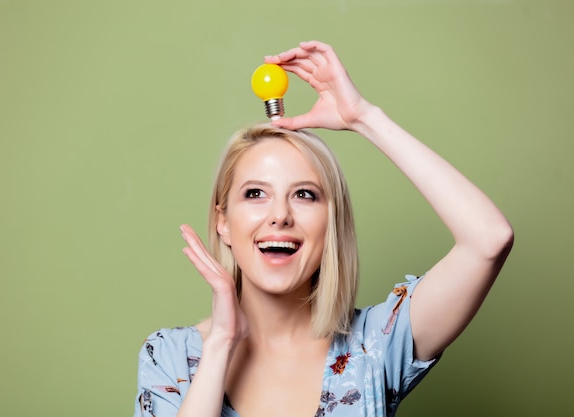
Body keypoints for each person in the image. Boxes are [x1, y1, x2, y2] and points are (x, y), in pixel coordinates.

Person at [133, 41, 514, 417]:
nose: (280, 215)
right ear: (223, 223)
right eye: (255, 194)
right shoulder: (169, 358)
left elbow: (489, 240)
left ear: (331, 222)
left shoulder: (376, 345)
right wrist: (221, 342)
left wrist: (363, 117)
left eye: (303, 194)